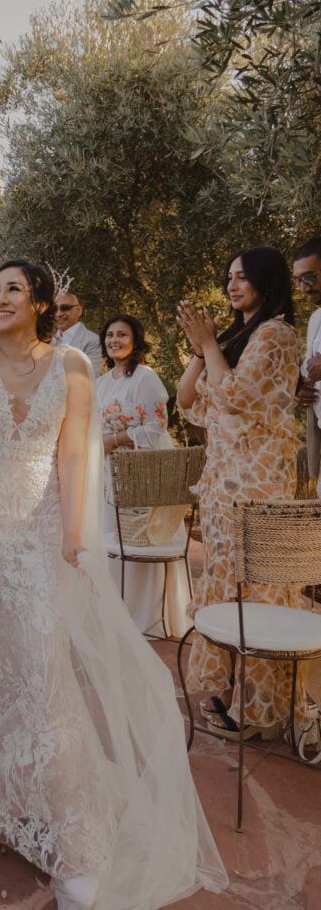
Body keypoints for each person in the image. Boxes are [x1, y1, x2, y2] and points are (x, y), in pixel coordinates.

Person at [0, 260, 227, 910]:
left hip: (38, 533)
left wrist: (73, 535)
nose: (0, 297)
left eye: (16, 288)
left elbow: (73, 453)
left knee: (44, 666)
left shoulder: (72, 366)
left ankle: (76, 848)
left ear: (41, 302)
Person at [177, 246, 303, 739]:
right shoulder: (236, 339)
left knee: (256, 592)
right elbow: (189, 404)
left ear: (266, 283)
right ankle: (232, 693)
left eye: (243, 277)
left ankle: (260, 711)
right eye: (228, 276)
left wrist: (210, 345)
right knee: (228, 589)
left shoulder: (277, 334)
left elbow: (237, 396)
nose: (232, 286)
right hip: (224, 484)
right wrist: (201, 347)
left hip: (257, 482)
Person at [96, 314, 190, 638]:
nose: (115, 341)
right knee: (113, 537)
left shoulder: (146, 378)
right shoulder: (103, 381)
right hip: (111, 473)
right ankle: (116, 615)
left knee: (145, 535)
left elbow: (156, 427)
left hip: (145, 471)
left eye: (122, 335)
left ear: (136, 340)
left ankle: (147, 618)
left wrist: (116, 439)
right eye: (110, 335)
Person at [293, 236, 321, 494]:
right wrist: (302, 387)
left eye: (309, 277)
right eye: (299, 280)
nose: (303, 288)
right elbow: (308, 370)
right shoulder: (315, 319)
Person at [51, 281, 102, 374]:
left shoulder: (93, 341)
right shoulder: (48, 341)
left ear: (78, 310)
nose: (58, 314)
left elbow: (91, 374)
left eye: (65, 308)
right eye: (54, 309)